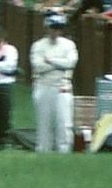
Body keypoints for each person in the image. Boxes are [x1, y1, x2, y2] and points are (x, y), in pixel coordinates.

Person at [30, 13, 79, 153]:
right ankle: (43, 150)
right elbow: (38, 66)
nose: (55, 31)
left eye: (58, 28)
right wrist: (59, 64)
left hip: (62, 87)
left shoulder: (69, 45)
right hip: (43, 86)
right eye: (53, 28)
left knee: (64, 122)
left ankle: (64, 151)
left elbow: (70, 63)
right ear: (47, 28)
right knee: (43, 123)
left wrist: (50, 60)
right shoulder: (38, 45)